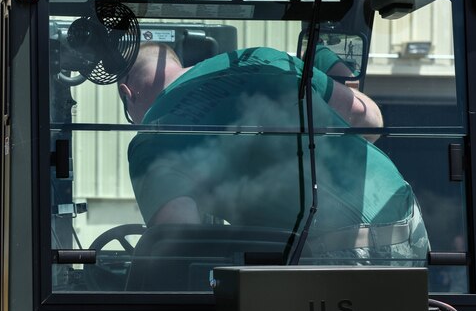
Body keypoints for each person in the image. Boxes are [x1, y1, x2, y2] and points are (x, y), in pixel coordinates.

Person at [118, 41, 428, 262]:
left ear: (126, 93)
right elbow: (368, 119)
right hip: (403, 212)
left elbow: (181, 241)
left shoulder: (153, 137)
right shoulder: (262, 57)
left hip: (335, 249)